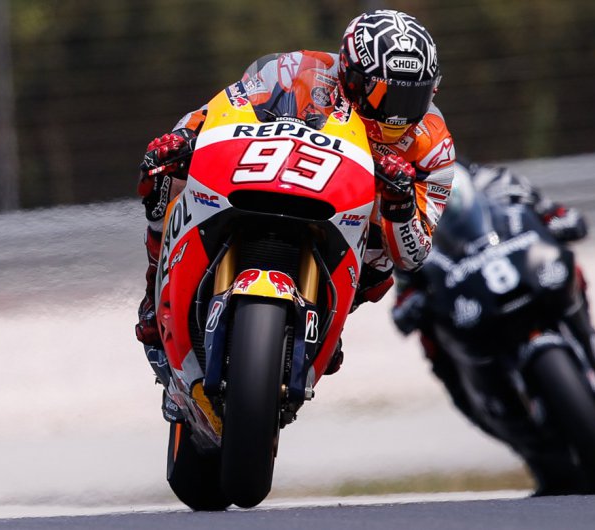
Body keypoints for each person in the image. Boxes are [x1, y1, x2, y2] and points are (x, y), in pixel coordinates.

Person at [134, 10, 457, 422]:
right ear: (351, 77)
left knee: (380, 269)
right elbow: (227, 106)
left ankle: (327, 322)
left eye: (414, 98)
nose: (397, 114)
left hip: (349, 216)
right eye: (384, 96)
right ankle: (154, 293)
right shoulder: (296, 70)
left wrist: (400, 202)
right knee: (161, 171)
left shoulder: (434, 145)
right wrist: (186, 136)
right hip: (270, 173)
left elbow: (414, 253)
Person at [392, 155, 595, 413]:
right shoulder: (400, 216)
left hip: (526, 276)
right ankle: (474, 401)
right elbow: (403, 289)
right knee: (432, 334)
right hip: (471, 301)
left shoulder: (498, 181)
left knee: (568, 263)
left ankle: (586, 337)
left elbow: (552, 212)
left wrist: (561, 220)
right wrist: (410, 303)